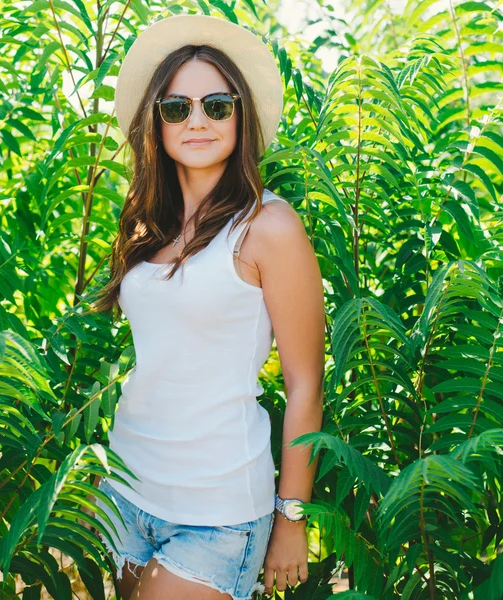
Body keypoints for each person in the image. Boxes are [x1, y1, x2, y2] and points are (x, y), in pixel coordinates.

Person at [88, 13, 325, 600]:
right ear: (157, 124)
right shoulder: (151, 225)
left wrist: (291, 517)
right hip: (127, 488)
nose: (197, 120)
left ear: (241, 117)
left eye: (216, 105)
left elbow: (305, 384)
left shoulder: (269, 226)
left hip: (216, 508)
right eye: (177, 108)